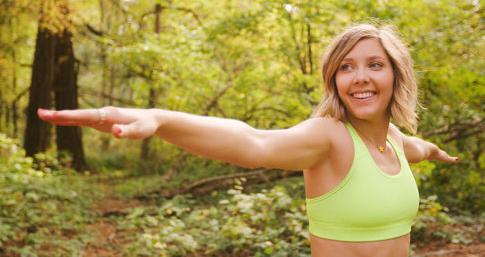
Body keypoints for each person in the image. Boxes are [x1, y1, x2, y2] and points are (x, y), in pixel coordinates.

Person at [38, 23, 458, 257]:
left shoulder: (397, 142)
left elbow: (424, 151)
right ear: (334, 81)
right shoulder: (329, 137)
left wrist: (441, 154)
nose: (360, 76)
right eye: (346, 66)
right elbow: (251, 142)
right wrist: (159, 119)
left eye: (374, 64)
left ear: (396, 75)